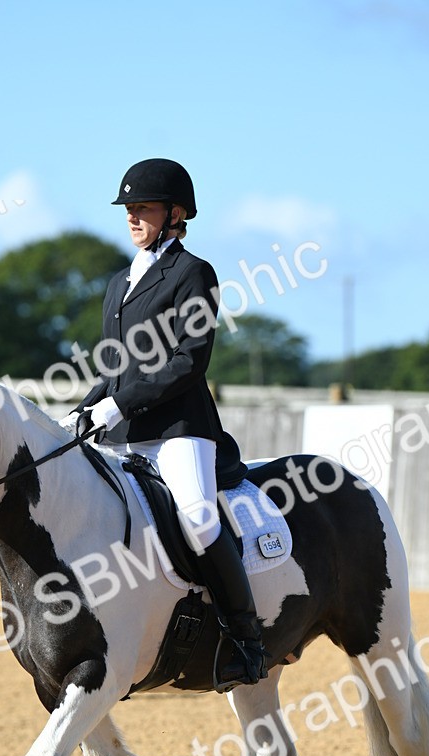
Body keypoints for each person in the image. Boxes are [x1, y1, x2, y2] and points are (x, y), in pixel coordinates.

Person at [63, 158, 267, 690]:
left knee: (199, 519)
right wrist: (84, 409)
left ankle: (246, 640)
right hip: (124, 432)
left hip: (180, 428)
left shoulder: (193, 273)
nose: (132, 217)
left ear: (176, 214)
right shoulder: (117, 284)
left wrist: (117, 406)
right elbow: (114, 368)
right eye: (128, 210)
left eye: (143, 209)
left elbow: (187, 361)